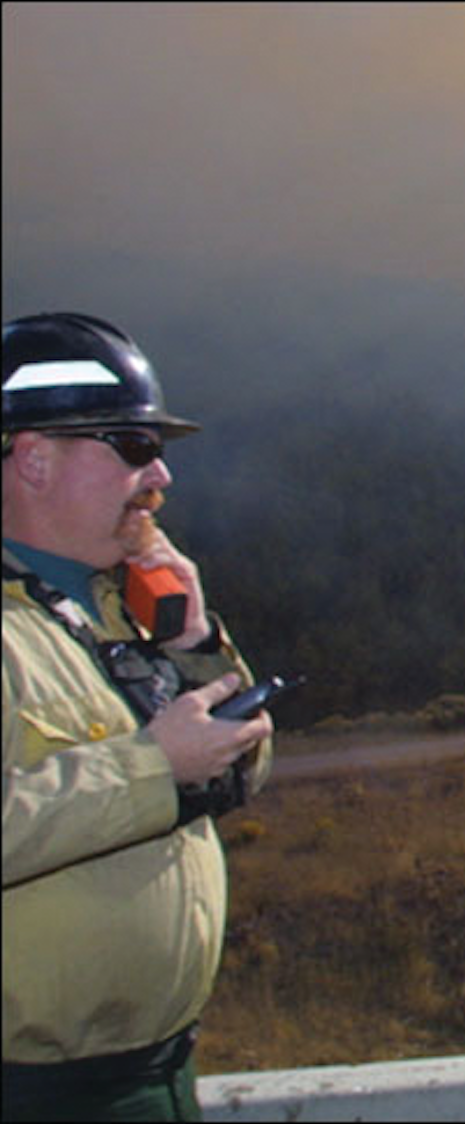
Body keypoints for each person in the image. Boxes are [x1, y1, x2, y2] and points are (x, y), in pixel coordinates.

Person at [3, 312, 274, 1122]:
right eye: (131, 446)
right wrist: (152, 768)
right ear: (33, 457)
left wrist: (195, 640)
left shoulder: (125, 605)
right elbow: (170, 767)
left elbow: (243, 765)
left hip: (161, 1073)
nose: (160, 478)